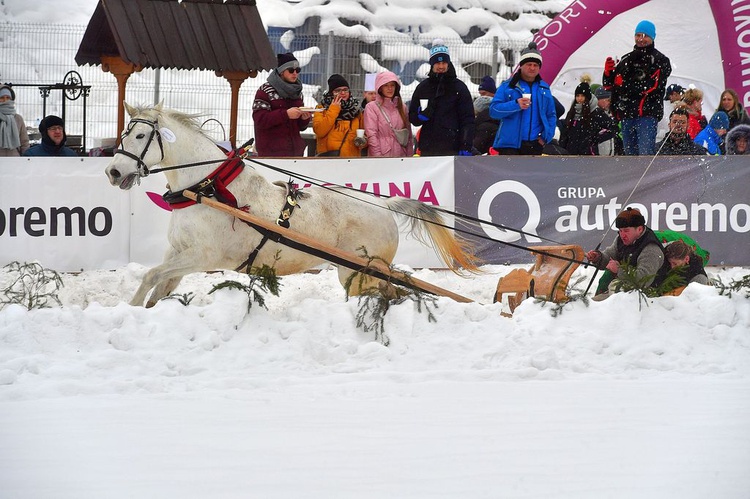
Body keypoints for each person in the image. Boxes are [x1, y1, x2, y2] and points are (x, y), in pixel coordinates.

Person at [602, 20, 671, 156]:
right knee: (629, 157)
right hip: (627, 115)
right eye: (638, 35)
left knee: (645, 156)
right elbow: (609, 86)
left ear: (652, 37)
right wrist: (608, 73)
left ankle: (647, 178)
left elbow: (652, 88)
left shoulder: (660, 60)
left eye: (645, 35)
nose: (641, 39)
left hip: (647, 116)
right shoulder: (626, 59)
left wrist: (624, 85)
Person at [586, 207, 669, 300]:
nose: (622, 235)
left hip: (647, 297)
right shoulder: (622, 240)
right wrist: (598, 257)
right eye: (620, 231)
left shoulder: (651, 249)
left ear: (640, 229)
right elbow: (610, 255)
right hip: (625, 290)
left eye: (626, 231)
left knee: (596, 307)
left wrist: (619, 270)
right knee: (591, 305)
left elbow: (643, 280)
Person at [408, 39, 475, 156]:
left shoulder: (459, 87)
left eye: (444, 63)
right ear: (432, 64)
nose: (441, 66)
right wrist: (420, 117)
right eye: (438, 63)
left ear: (448, 64)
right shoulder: (423, 88)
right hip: (428, 147)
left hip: (452, 147)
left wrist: (466, 144)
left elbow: (468, 119)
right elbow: (413, 118)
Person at [489, 42, 557, 155]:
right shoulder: (507, 86)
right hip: (509, 146)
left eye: (536, 65)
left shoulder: (544, 88)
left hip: (534, 145)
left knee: (532, 173)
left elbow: (551, 115)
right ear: (521, 66)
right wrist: (515, 104)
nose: (532, 68)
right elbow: (493, 110)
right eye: (529, 64)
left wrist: (546, 137)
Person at [252, 53, 311, 157]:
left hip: (295, 153)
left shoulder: (297, 92)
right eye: (291, 70)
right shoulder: (265, 91)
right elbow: (260, 119)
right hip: (272, 154)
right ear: (281, 72)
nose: (295, 73)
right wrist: (286, 114)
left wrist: (304, 118)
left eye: (298, 70)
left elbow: (300, 127)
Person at [559, 76, 615, 155]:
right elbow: (565, 133)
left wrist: (595, 139)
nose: (580, 98)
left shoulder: (595, 112)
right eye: (578, 96)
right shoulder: (572, 112)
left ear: (587, 97)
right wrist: (562, 149)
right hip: (571, 155)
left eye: (582, 96)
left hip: (589, 155)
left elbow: (613, 128)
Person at [313, 74, 365, 157]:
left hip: (351, 160)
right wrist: (333, 109)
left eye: (345, 89)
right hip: (329, 159)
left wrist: (362, 141)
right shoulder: (321, 108)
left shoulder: (356, 110)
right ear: (331, 93)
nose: (343, 93)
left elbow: (364, 135)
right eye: (338, 90)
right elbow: (319, 131)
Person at [363, 70, 414, 157]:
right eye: (386, 85)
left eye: (392, 85)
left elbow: (408, 135)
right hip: (382, 157)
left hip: (401, 156)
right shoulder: (372, 108)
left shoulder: (402, 107)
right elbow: (372, 136)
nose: (390, 88)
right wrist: (378, 157)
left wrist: (409, 156)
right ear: (380, 87)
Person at [0, 84, 30, 157]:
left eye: (8, 98)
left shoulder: (18, 118)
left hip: (15, 161)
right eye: (2, 97)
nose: (5, 100)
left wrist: (25, 159)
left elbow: (24, 143)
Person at [593, 86, 621, 156]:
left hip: (612, 155)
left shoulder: (613, 113)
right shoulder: (594, 114)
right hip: (599, 156)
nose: (609, 102)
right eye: (607, 100)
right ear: (598, 100)